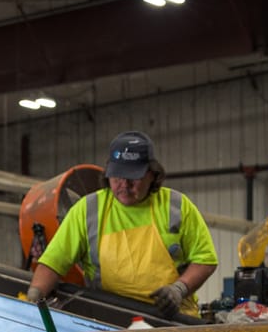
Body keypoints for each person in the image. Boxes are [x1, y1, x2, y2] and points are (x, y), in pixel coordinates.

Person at [25, 131, 218, 318]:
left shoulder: (176, 206)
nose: (124, 184)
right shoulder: (88, 211)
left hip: (172, 320)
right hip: (108, 321)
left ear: (152, 174)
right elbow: (52, 263)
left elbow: (205, 259)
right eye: (117, 176)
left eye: (133, 177)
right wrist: (32, 301)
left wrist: (179, 289)